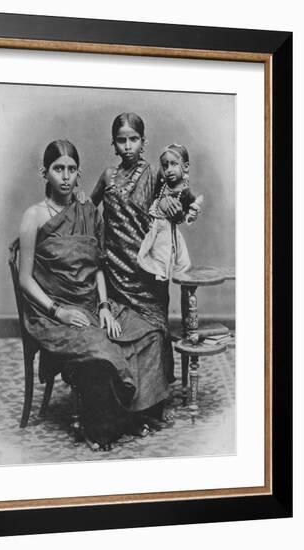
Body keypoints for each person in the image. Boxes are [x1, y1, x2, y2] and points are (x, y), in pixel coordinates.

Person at [18, 139, 154, 450]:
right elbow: (25, 279)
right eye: (57, 169)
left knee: (145, 334)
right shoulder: (34, 217)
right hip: (53, 311)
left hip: (92, 302)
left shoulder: (87, 210)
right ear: (45, 172)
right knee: (101, 349)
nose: (65, 177)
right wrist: (58, 312)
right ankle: (107, 427)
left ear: (79, 173)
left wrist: (105, 306)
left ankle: (134, 412)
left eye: (71, 170)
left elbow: (97, 266)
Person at [91, 113, 199, 425]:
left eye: (133, 139)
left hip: (146, 275)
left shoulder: (155, 174)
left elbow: (173, 205)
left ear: (144, 141)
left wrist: (176, 208)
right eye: (121, 140)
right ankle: (127, 402)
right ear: (113, 144)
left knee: (155, 332)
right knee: (121, 337)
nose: (127, 146)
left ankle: (156, 400)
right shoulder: (108, 175)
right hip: (114, 275)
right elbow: (87, 208)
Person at [137, 143, 203, 280]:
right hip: (154, 229)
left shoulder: (185, 193)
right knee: (148, 256)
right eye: (165, 166)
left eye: (174, 164)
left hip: (167, 234)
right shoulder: (162, 186)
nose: (169, 170)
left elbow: (188, 216)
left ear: (186, 167)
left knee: (165, 259)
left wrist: (191, 214)